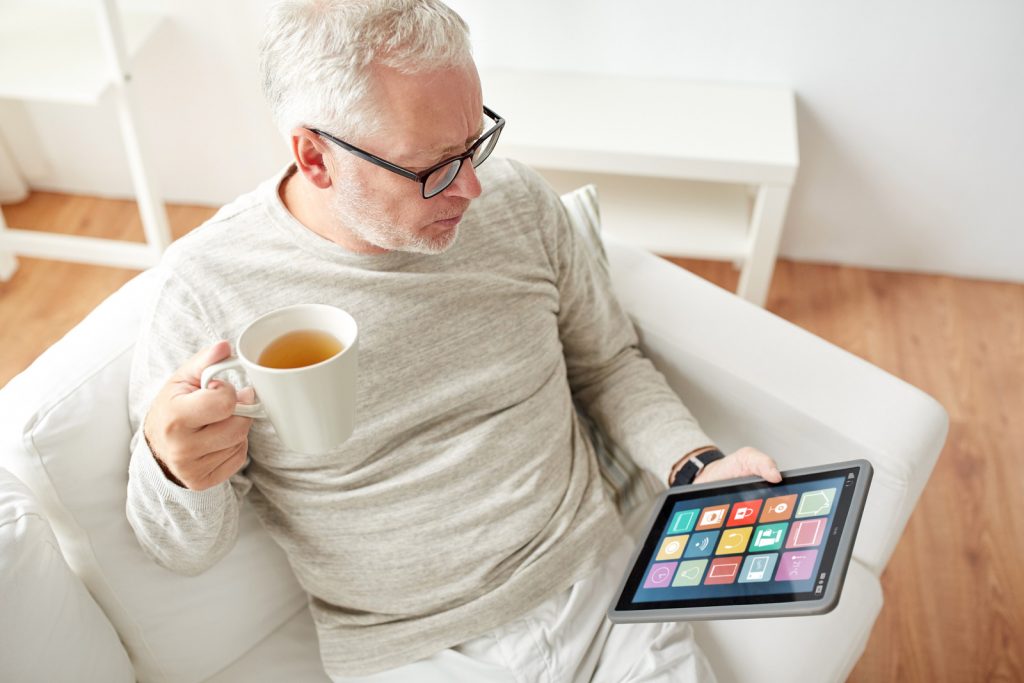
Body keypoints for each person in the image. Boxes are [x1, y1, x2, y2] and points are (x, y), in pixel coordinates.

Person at [125, 1, 783, 681]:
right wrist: (172, 466)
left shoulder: (516, 200)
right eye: (435, 165)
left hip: (599, 588)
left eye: (475, 141)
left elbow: (607, 363)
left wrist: (698, 468)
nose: (471, 187)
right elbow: (180, 549)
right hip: (414, 651)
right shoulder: (206, 288)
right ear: (314, 156)